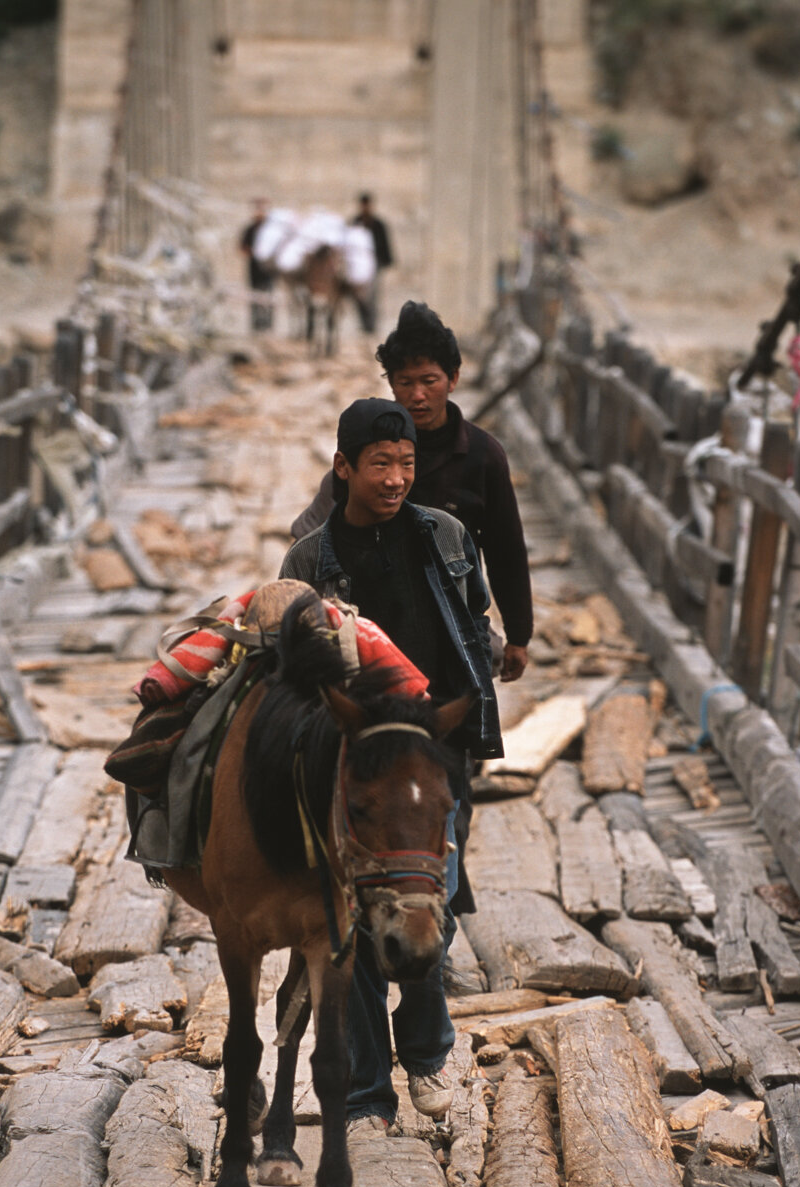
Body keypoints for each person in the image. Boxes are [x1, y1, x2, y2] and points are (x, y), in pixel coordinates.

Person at [279, 398, 502, 1129]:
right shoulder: (309, 558)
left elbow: (479, 626)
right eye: (380, 464)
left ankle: (429, 1057)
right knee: (355, 928)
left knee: (426, 910)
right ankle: (369, 1092)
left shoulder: (444, 537)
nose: (396, 478)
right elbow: (294, 666)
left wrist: (478, 674)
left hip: (433, 754)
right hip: (355, 762)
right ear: (342, 467)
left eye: (406, 464)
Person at [291, 301, 532, 680]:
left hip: (451, 617)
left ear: (452, 379)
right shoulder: (366, 446)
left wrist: (519, 633)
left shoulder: (483, 457)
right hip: (370, 619)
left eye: (429, 381)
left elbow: (506, 550)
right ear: (390, 384)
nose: (418, 395)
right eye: (405, 383)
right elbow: (312, 538)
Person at [350, 194, 393, 331]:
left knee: (372, 296)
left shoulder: (378, 224)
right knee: (358, 297)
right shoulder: (355, 222)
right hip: (357, 267)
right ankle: (364, 325)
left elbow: (384, 245)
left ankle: (371, 326)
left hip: (374, 265)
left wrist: (384, 262)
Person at [239, 198, 274, 332]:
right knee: (254, 295)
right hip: (254, 267)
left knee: (268, 295)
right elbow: (243, 248)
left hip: (268, 268)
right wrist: (253, 252)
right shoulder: (250, 229)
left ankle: (267, 323)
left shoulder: (271, 230)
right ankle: (256, 323)